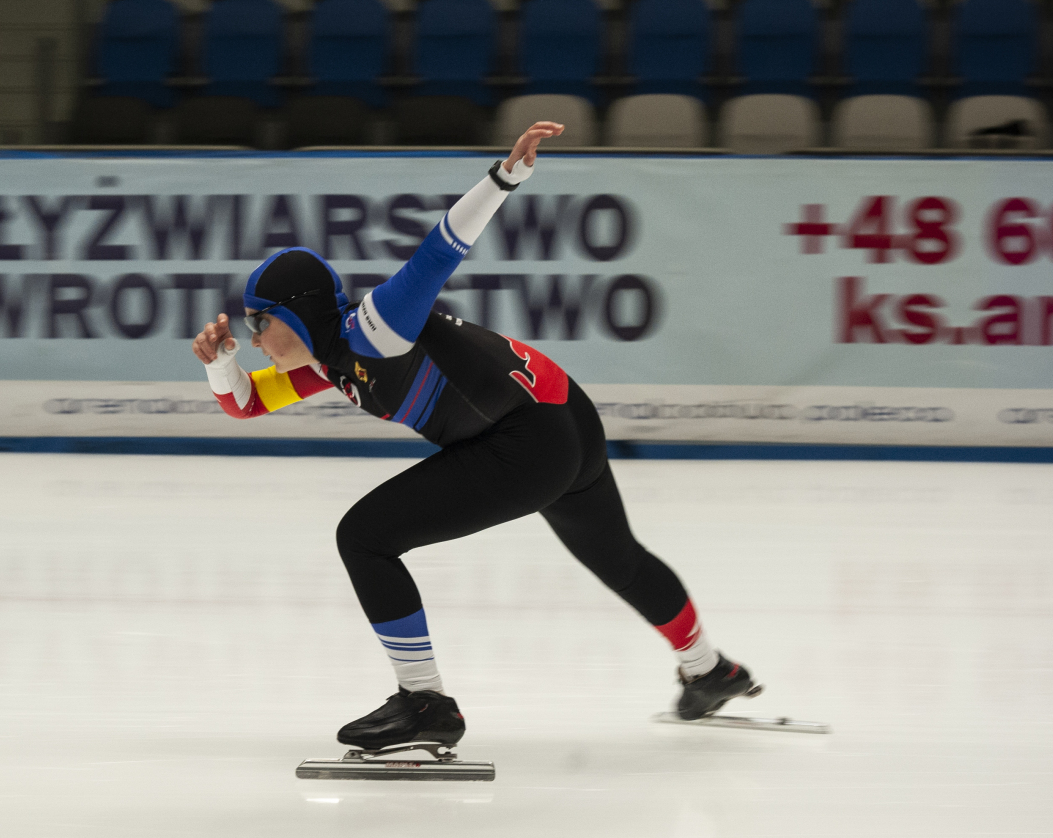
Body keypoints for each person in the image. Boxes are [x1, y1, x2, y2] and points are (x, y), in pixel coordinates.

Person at [190, 122, 759, 752]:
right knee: (618, 558)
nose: (254, 338)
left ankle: (425, 702)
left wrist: (504, 176)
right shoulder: (328, 361)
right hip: (564, 415)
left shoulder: (376, 328)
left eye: (259, 322)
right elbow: (245, 403)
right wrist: (220, 364)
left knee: (365, 537)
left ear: (297, 314)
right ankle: (709, 671)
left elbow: (439, 250)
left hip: (528, 439)